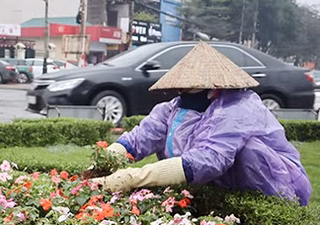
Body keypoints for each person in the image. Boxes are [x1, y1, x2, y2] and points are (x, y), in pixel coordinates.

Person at [95, 42, 311, 205]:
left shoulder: (238, 109)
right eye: (182, 88)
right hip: (216, 185)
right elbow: (140, 138)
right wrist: (102, 163)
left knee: (249, 151)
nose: (183, 93)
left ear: (214, 87)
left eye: (190, 88)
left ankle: (262, 204)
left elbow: (208, 159)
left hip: (277, 181)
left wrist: (135, 177)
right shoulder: (172, 109)